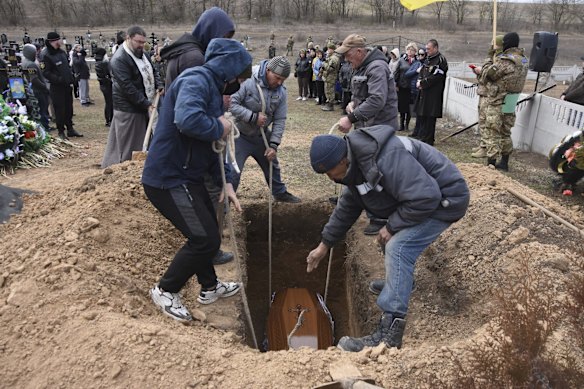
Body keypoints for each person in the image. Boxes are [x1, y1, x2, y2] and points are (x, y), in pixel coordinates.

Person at [307, 126, 470, 351]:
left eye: (330, 171)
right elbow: (347, 207)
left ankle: (390, 333)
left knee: (398, 246)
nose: (330, 178)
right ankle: (401, 282)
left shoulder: (386, 157)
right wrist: (324, 245)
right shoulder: (355, 166)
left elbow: (426, 196)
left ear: (343, 160)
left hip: (445, 200)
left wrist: (393, 226)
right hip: (420, 199)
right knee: (386, 235)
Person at [142, 38, 252, 322]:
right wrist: (221, 125)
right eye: (239, 75)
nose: (238, 82)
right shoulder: (197, 79)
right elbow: (188, 120)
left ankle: (210, 287)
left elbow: (212, 149)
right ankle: (166, 290)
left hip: (188, 174)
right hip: (168, 177)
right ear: (228, 68)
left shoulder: (213, 89)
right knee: (204, 239)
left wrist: (226, 182)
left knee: (207, 232)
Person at [158, 7, 237, 266]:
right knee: (205, 191)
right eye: (222, 36)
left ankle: (207, 253)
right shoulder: (195, 58)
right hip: (189, 139)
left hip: (182, 134)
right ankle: (209, 248)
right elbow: (190, 112)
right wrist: (216, 125)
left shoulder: (185, 49)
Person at [335, 33, 399, 235]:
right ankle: (353, 200)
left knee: (375, 171)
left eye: (348, 55)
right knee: (360, 166)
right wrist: (353, 104)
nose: (346, 59)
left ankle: (380, 216)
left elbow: (377, 100)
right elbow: (362, 95)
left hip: (379, 129)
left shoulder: (377, 67)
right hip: (366, 127)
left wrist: (351, 119)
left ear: (360, 52)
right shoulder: (362, 67)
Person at [229, 56, 301, 203]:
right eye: (277, 77)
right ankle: (225, 205)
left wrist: (274, 145)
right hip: (240, 136)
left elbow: (280, 120)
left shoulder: (281, 92)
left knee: (272, 164)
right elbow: (231, 104)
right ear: (268, 70)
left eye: (283, 80)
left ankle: (280, 193)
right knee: (233, 172)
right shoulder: (247, 80)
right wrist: (253, 117)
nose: (279, 82)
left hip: (260, 136)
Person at [102, 26, 162, 168]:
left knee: (143, 139)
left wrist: (159, 84)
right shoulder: (119, 59)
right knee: (129, 143)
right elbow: (127, 87)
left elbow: (154, 71)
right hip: (128, 108)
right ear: (128, 38)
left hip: (144, 104)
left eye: (143, 42)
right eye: (138, 42)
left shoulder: (144, 54)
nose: (142, 45)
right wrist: (145, 103)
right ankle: (124, 168)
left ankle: (142, 167)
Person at [471, 32, 528, 171]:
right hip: (510, 101)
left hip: (498, 100)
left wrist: (489, 58)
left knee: (492, 132)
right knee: (505, 132)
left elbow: (487, 75)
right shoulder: (524, 60)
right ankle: (505, 162)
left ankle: (491, 163)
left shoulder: (506, 60)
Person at [159, 6, 235, 89]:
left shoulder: (185, 47)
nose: (225, 43)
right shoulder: (194, 58)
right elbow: (193, 96)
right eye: (223, 37)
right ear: (210, 31)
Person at [40, 32, 83, 140]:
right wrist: (59, 79)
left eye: (58, 40)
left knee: (69, 108)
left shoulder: (62, 52)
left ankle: (70, 129)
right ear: (50, 42)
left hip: (67, 85)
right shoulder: (46, 55)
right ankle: (61, 131)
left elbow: (67, 67)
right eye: (56, 41)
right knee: (60, 109)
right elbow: (46, 72)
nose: (58, 42)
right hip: (56, 87)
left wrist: (72, 77)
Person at [472, 35, 504, 159]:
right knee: (481, 121)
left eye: (493, 44)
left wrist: (482, 72)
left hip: (489, 94)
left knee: (486, 122)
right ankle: (482, 144)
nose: (491, 46)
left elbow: (490, 76)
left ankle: (485, 147)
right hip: (483, 92)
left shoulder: (499, 60)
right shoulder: (492, 57)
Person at [414, 39, 448, 146]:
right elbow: (423, 71)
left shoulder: (440, 60)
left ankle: (428, 139)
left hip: (433, 94)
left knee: (430, 117)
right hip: (424, 93)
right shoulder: (428, 59)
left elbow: (437, 77)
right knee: (423, 115)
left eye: (429, 49)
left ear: (435, 48)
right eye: (426, 48)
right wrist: (419, 81)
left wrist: (423, 83)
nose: (427, 51)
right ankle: (422, 136)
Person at [21, 43, 50, 130]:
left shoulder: (24, 62)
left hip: (33, 90)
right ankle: (45, 127)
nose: (36, 54)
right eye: (34, 53)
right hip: (38, 90)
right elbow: (34, 79)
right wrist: (45, 87)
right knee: (42, 110)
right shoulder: (31, 64)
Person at [394, 44, 416, 132]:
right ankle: (401, 124)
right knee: (402, 107)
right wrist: (396, 84)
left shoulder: (416, 62)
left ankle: (407, 125)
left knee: (409, 107)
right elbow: (396, 72)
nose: (410, 52)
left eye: (412, 50)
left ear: (415, 51)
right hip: (402, 87)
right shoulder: (402, 60)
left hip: (411, 88)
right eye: (408, 50)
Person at [407, 48, 425, 138]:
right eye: (419, 55)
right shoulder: (417, 64)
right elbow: (407, 74)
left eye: (422, 55)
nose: (420, 56)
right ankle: (416, 131)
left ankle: (420, 132)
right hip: (415, 90)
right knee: (417, 113)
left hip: (423, 92)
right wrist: (416, 71)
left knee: (421, 114)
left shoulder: (426, 64)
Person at [94, 48, 113, 127]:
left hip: (103, 85)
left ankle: (109, 119)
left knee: (108, 103)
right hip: (107, 85)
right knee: (110, 103)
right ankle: (109, 119)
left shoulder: (98, 62)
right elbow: (108, 74)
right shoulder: (103, 63)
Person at [321, 43, 341, 112]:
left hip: (331, 77)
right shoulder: (330, 57)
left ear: (333, 49)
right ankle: (328, 103)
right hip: (327, 76)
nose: (328, 50)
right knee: (327, 91)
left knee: (330, 91)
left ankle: (330, 105)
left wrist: (324, 64)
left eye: (329, 49)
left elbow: (330, 68)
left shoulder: (334, 58)